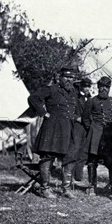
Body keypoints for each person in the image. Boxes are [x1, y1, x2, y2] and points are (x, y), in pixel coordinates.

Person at [27, 67, 79, 199]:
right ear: (60, 78)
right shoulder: (51, 89)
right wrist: (43, 113)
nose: (69, 80)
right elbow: (33, 97)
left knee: (70, 157)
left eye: (71, 78)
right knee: (47, 157)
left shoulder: (74, 92)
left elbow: (74, 110)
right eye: (66, 77)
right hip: (53, 129)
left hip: (67, 129)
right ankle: (45, 188)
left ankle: (66, 189)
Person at [82, 76, 112, 196]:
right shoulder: (92, 101)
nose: (104, 89)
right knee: (93, 161)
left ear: (109, 88)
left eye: (106, 87)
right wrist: (92, 129)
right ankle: (92, 186)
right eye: (101, 86)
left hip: (108, 136)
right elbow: (85, 119)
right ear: (98, 87)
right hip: (95, 135)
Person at [62, 77, 92, 184]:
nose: (87, 89)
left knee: (83, 152)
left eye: (89, 86)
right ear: (81, 87)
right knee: (74, 150)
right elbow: (69, 111)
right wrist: (76, 118)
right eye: (85, 86)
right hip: (77, 126)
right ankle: (68, 178)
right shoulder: (75, 97)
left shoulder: (90, 98)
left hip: (87, 127)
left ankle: (78, 176)